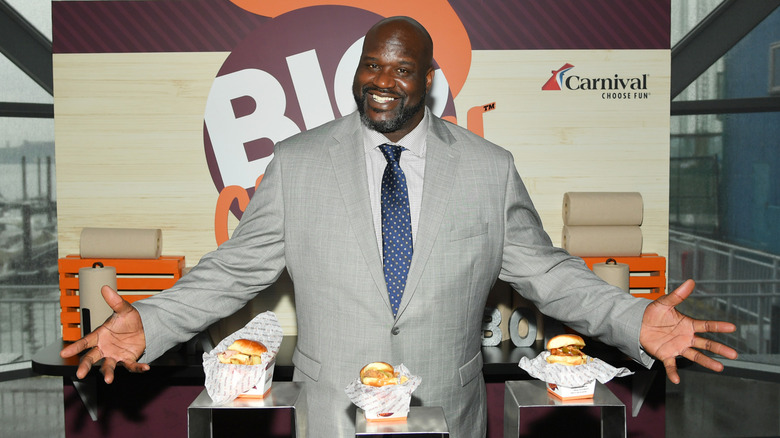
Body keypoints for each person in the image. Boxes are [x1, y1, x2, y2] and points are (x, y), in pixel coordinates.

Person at [61, 16, 737, 438]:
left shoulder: (488, 168)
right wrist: (150, 321)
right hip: (332, 419)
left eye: (401, 69)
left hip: (450, 411)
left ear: (430, 82)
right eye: (371, 66)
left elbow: (548, 274)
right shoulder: (297, 164)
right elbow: (236, 270)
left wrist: (631, 319)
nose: (382, 82)